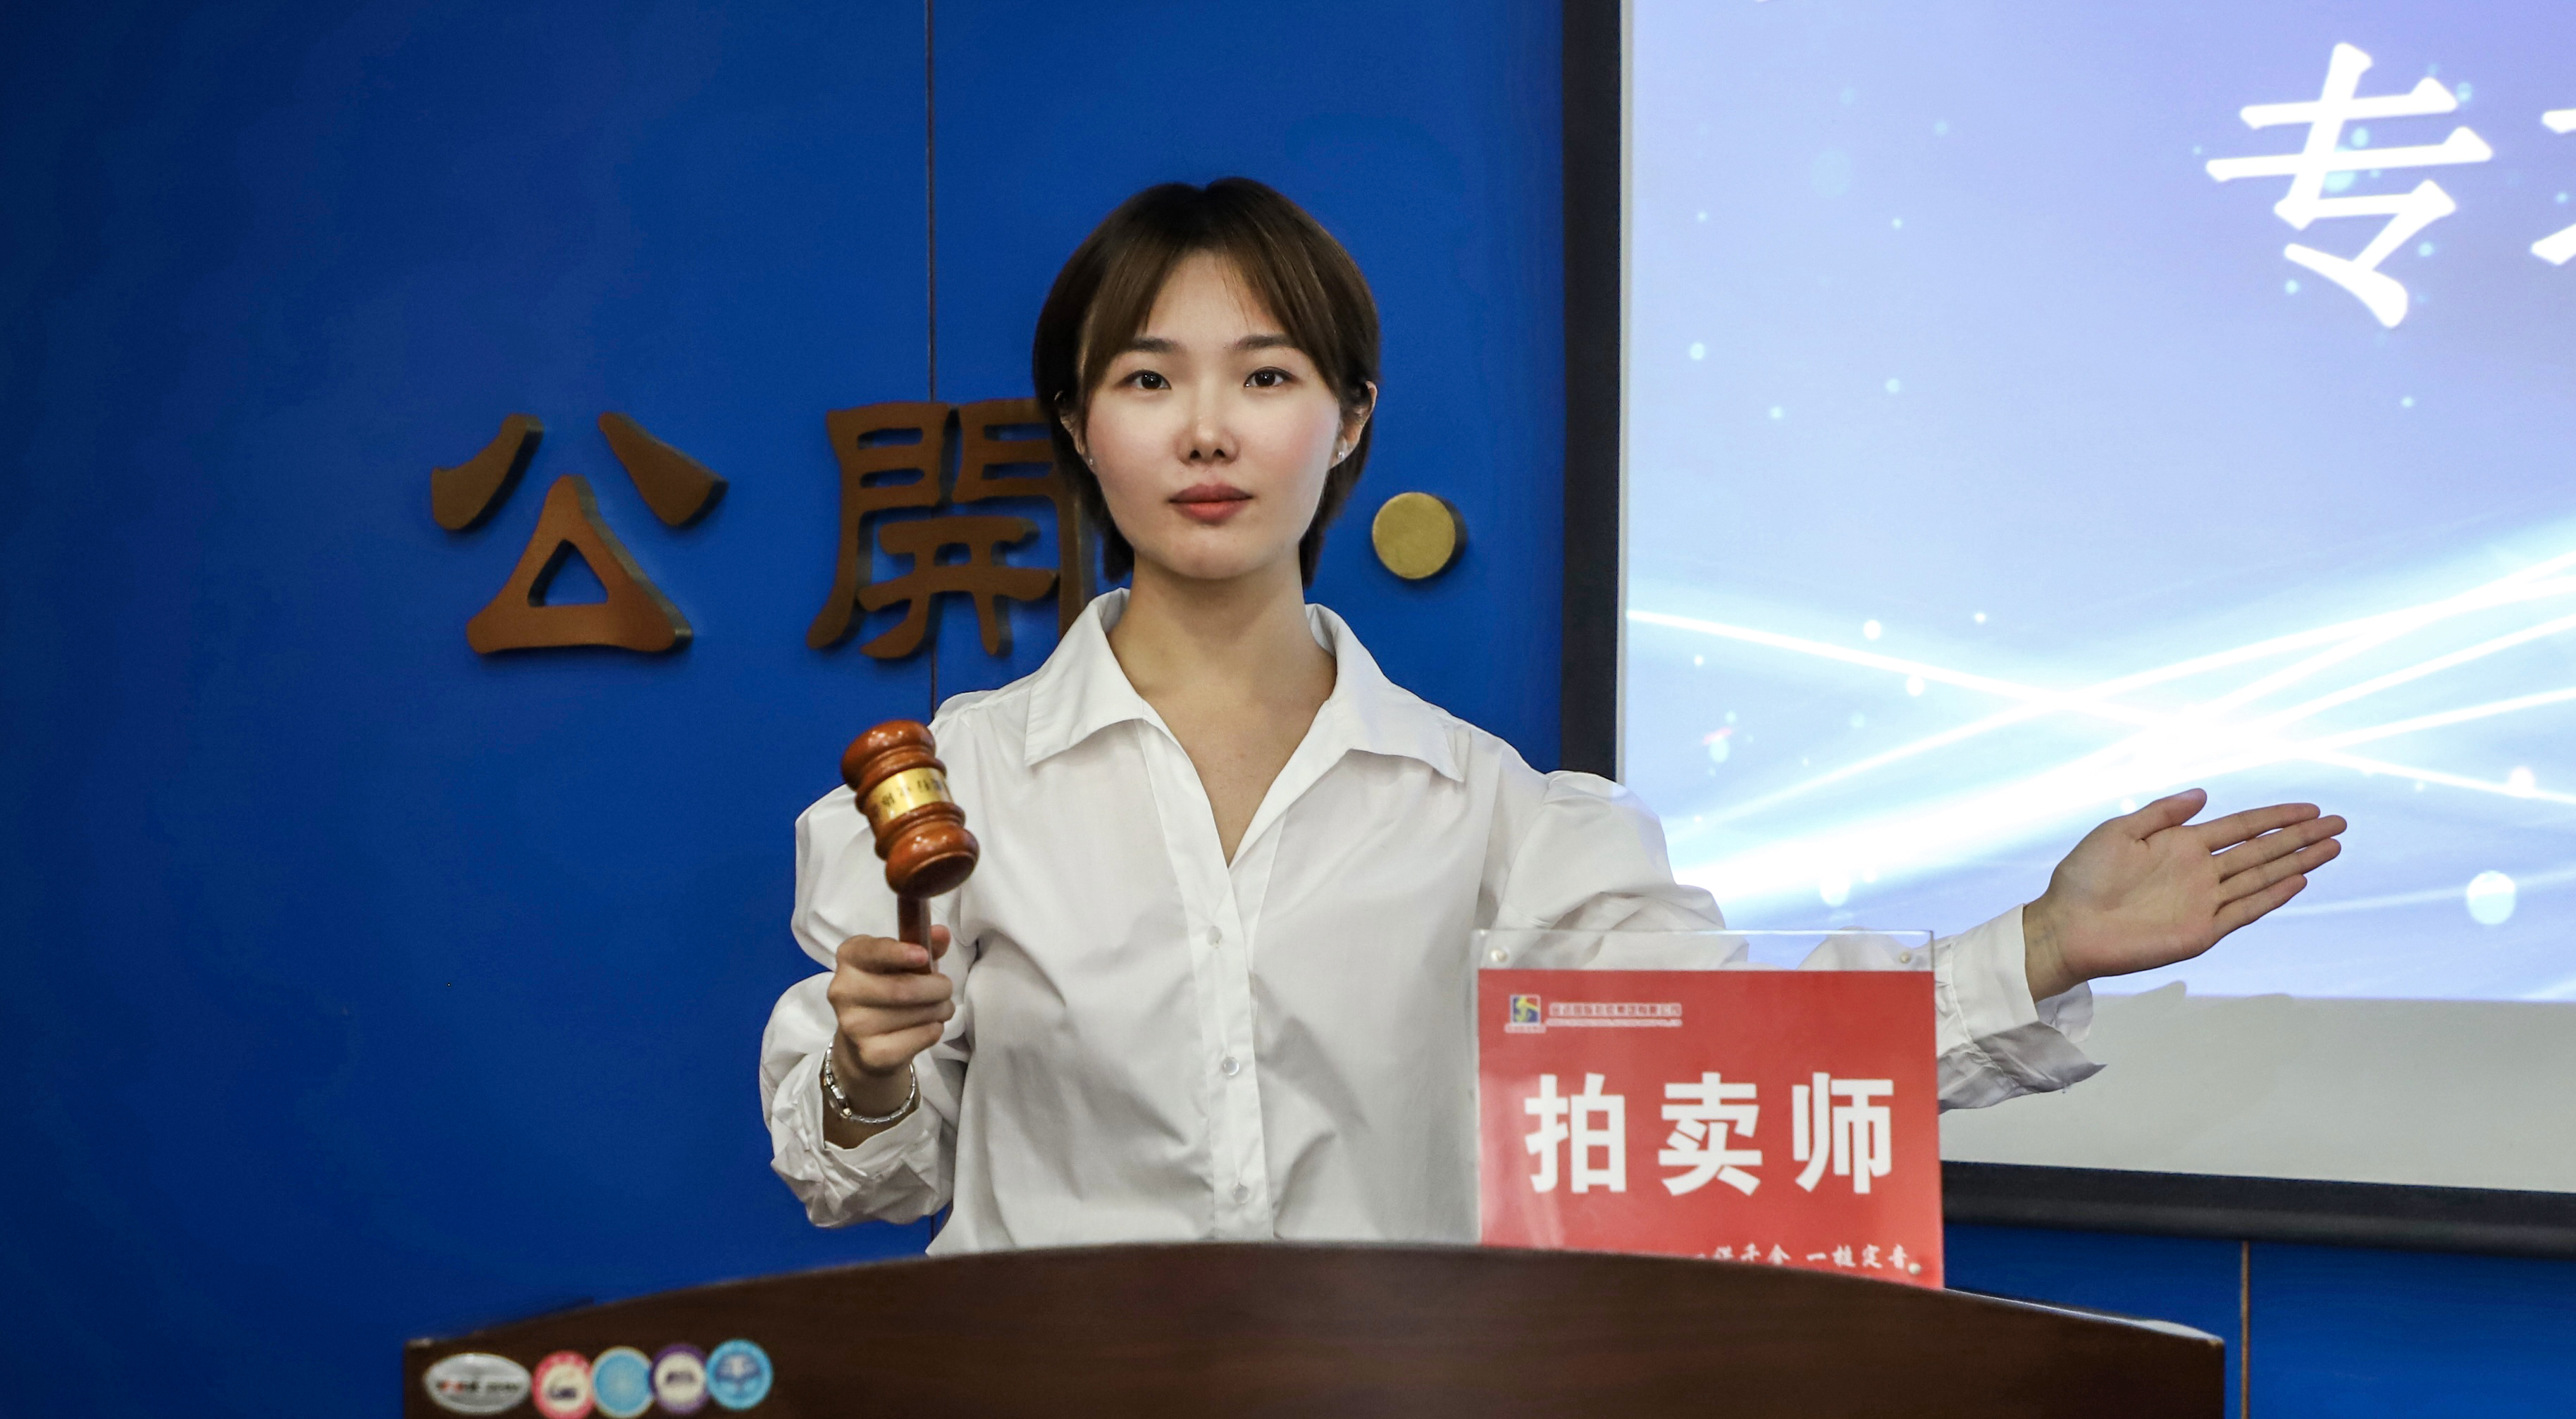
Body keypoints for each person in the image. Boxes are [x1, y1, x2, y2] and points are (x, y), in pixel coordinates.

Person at [760, 179, 2346, 1253]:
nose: (1208, 433)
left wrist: (2043, 945)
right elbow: (866, 1176)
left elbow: (1738, 1061)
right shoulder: (962, 791)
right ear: (1077, 424)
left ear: (1349, 422)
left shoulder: (1490, 812)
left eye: (1267, 376)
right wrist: (871, 1068)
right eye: (1148, 380)